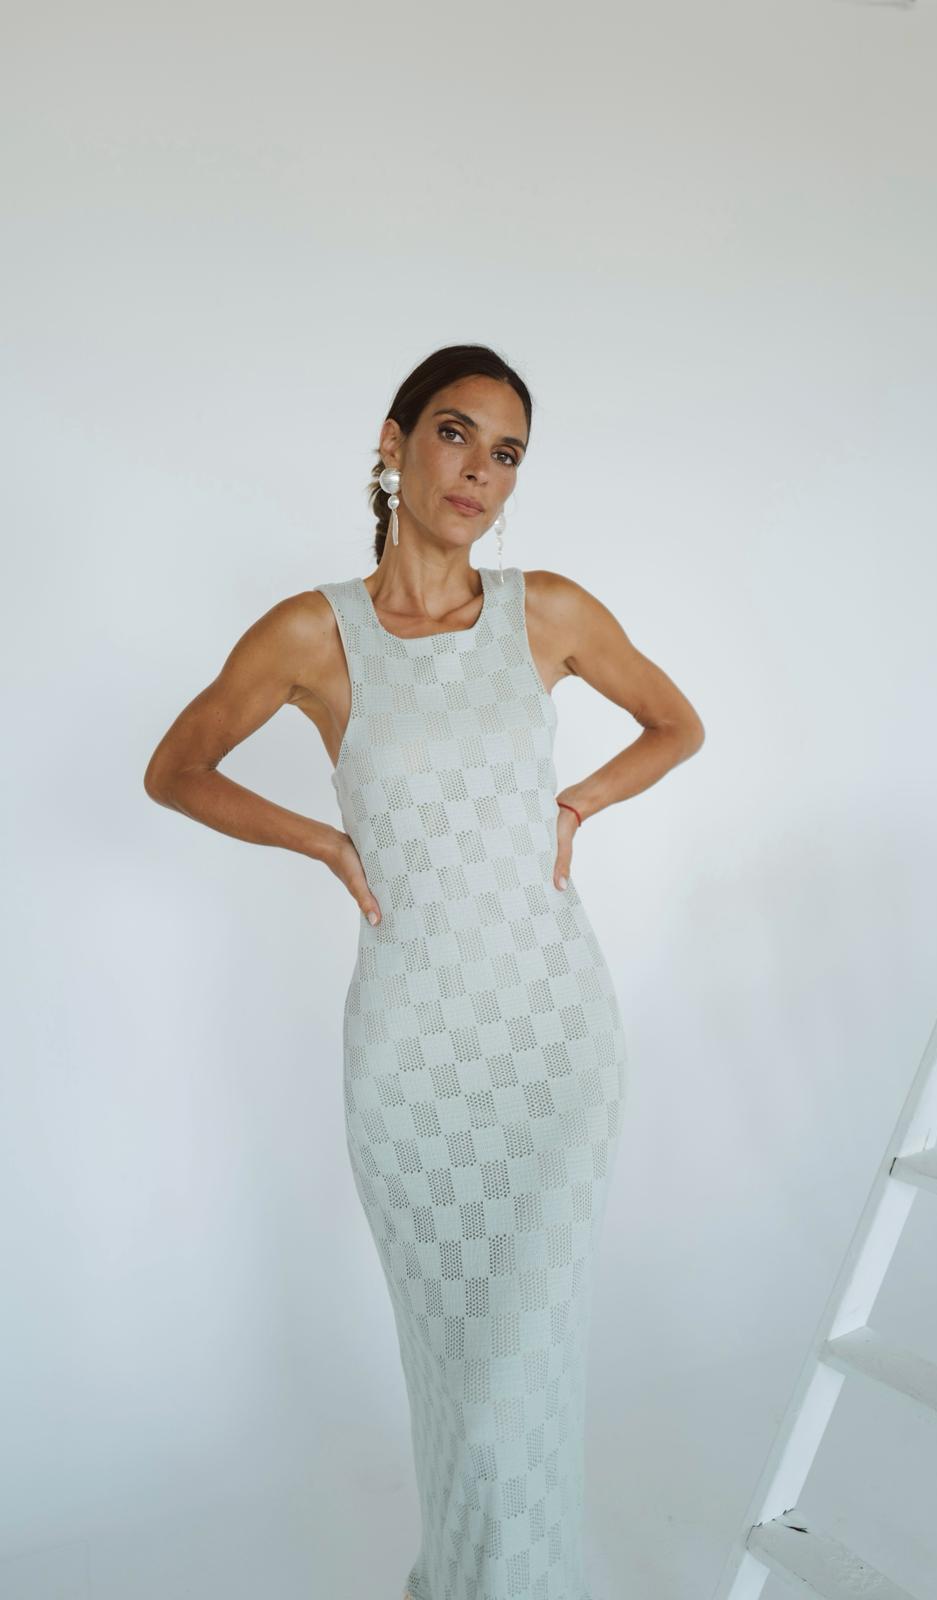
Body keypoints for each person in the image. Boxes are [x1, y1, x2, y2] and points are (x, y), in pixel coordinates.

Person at [144, 343, 704, 1600]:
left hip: (553, 1038)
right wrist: (323, 839)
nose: (480, 473)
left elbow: (679, 723)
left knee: (524, 1375)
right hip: (411, 1061)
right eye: (456, 434)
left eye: (507, 454)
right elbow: (175, 768)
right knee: (462, 1380)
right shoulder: (313, 632)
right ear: (393, 445)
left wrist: (577, 803)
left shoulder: (546, 610)